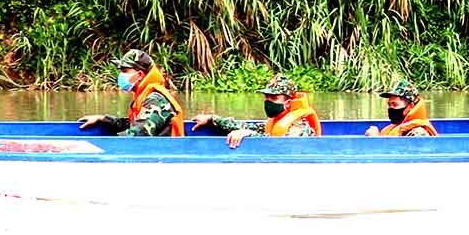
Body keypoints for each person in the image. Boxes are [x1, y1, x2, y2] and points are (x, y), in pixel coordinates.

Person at [190, 73, 324, 149]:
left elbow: (280, 146)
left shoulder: (300, 127)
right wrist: (212, 119)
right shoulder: (277, 120)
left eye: (274, 98)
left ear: (288, 102)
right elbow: (246, 127)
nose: (268, 101)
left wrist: (249, 134)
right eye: (267, 97)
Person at [76, 49, 182, 136]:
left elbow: (135, 136)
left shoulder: (155, 100)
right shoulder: (145, 96)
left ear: (140, 75)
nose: (120, 75)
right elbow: (134, 123)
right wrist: (104, 119)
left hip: (162, 156)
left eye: (124, 71)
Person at [366, 78, 438, 136]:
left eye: (395, 104)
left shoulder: (419, 133)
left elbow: (407, 153)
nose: (391, 108)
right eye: (389, 105)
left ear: (410, 106)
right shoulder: (395, 128)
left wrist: (375, 139)